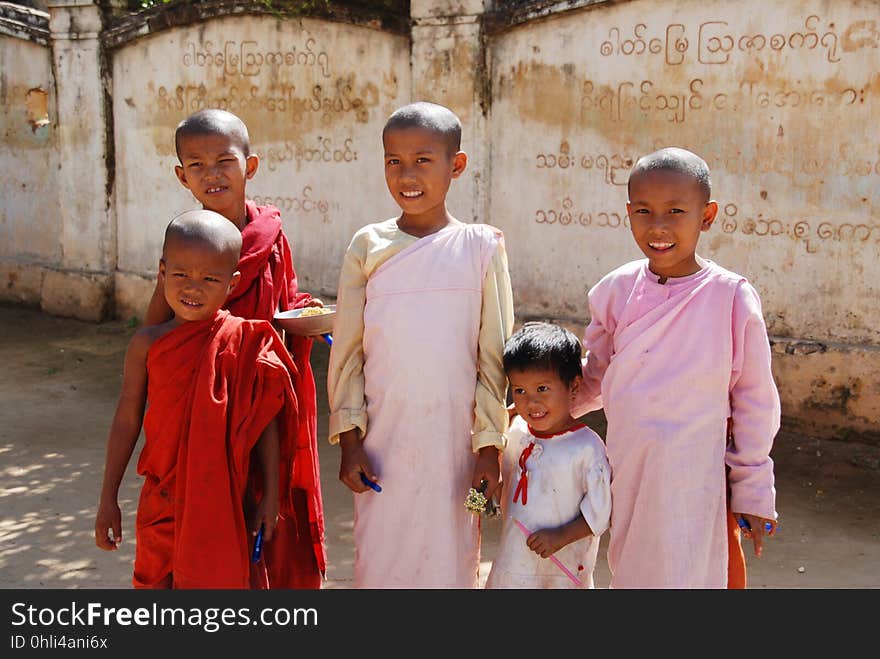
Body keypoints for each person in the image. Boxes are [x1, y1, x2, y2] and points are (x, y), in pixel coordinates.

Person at [572, 146, 780, 588]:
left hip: (697, 473)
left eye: (676, 211)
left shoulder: (731, 298)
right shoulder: (615, 290)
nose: (659, 226)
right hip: (631, 465)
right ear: (628, 213)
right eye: (644, 211)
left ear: (706, 216)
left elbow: (755, 400)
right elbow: (596, 375)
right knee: (632, 570)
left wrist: (753, 489)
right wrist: (540, 412)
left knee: (693, 571)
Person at [327, 101, 515, 588]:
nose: (406, 174)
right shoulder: (367, 246)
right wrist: (350, 440)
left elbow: (493, 358)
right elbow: (347, 353)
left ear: (456, 165)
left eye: (423, 160)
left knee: (452, 558)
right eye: (394, 160)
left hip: (457, 446)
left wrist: (489, 447)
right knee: (380, 560)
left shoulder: (481, 246)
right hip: (382, 443)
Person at [142, 109, 326, 589]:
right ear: (182, 176)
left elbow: (285, 297)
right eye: (197, 165)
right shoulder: (186, 243)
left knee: (266, 516)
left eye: (224, 161)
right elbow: (156, 337)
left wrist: (305, 312)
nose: (212, 174)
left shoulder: (270, 234)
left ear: (251, 165)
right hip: (205, 418)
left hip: (262, 406)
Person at [94, 210, 300, 588]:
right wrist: (109, 496)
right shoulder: (147, 344)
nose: (193, 288)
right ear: (161, 272)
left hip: (223, 501)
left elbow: (266, 421)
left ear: (233, 283)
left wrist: (270, 495)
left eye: (210, 279)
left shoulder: (244, 341)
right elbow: (127, 418)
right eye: (181, 275)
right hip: (162, 499)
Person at [486, 322, 611, 589]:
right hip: (513, 566)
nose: (531, 402)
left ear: (573, 386)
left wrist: (561, 536)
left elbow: (600, 513)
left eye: (542, 389)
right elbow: (502, 486)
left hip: (561, 571)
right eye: (520, 390)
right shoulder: (517, 433)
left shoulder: (586, 447)